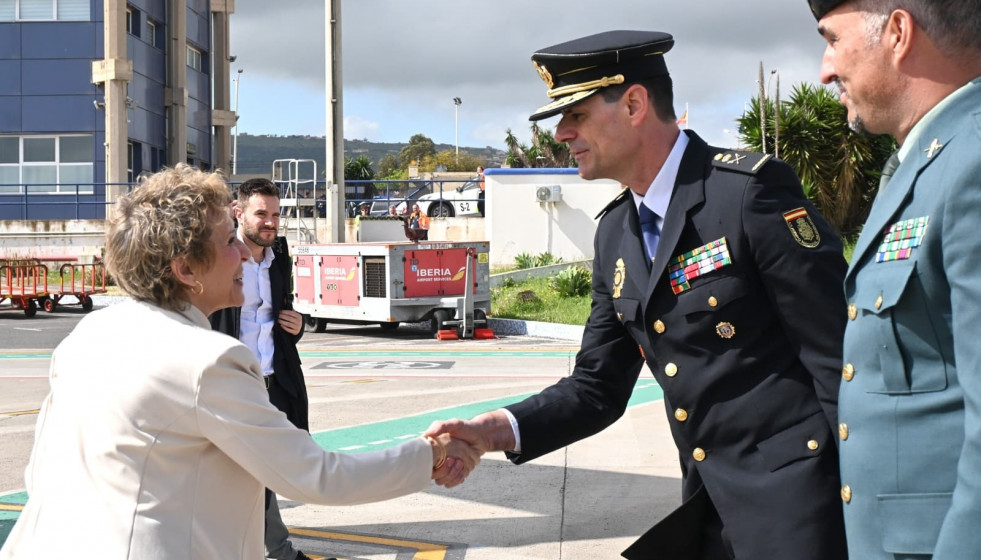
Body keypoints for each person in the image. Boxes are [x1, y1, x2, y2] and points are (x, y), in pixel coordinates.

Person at [427, 30, 848, 559]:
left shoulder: (746, 194)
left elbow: (840, 357)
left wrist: (877, 508)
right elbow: (596, 387)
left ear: (633, 104)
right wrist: (496, 431)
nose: (561, 132)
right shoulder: (615, 234)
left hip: (801, 511)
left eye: (575, 114)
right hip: (711, 514)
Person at [0, 164, 478, 559]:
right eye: (231, 242)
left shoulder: (88, 335)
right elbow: (315, 476)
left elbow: (41, 472)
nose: (245, 258)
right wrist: (432, 453)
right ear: (186, 270)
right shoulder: (207, 360)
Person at [808, 1, 981, 558]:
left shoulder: (972, 161)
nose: (825, 69)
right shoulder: (926, 159)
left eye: (832, 40)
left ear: (899, 33)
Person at [208, 178, 309, 560]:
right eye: (261, 214)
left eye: (276, 215)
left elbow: (276, 317)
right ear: (239, 213)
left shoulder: (278, 255)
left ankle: (266, 548)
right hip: (235, 384)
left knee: (271, 468)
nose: (270, 222)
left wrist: (297, 326)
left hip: (276, 382)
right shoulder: (220, 255)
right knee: (244, 470)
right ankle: (275, 550)